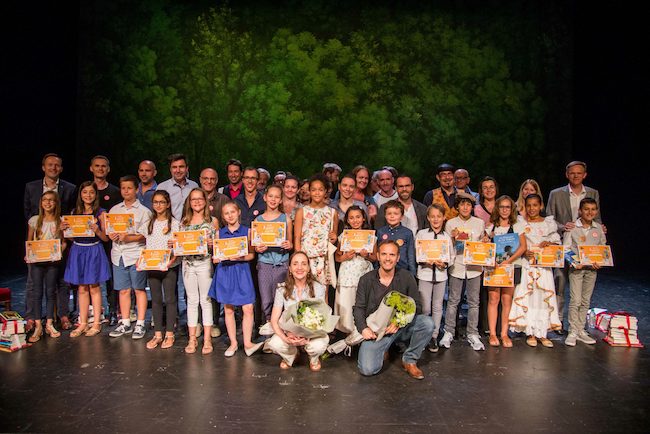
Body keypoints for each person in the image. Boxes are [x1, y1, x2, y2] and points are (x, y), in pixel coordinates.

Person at [354, 240, 434, 379]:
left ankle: (409, 360)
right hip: (378, 331)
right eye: (384, 254)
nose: (387, 258)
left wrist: (399, 321)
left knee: (427, 323)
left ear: (397, 258)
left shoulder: (407, 277)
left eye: (392, 254)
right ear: (378, 256)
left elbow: (417, 306)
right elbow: (359, 308)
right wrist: (363, 329)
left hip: (400, 327)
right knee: (367, 369)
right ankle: (384, 348)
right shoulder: (366, 280)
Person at [547, 161, 602, 334]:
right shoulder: (556, 194)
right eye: (572, 173)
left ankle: (578, 325)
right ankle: (559, 322)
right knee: (560, 284)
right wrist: (564, 226)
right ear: (567, 174)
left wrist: (601, 228)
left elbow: (596, 218)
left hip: (585, 248)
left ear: (584, 175)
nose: (575, 176)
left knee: (582, 290)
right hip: (564, 244)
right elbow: (549, 220)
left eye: (579, 173)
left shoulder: (593, 193)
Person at [23, 153, 76, 331]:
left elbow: (70, 215)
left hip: (59, 244)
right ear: (43, 167)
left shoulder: (69, 188)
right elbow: (28, 213)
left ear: (61, 168)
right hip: (38, 246)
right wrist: (33, 247)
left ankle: (62, 315)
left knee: (61, 282)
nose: (53, 168)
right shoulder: (31, 187)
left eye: (57, 165)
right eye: (50, 165)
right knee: (33, 284)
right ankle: (32, 317)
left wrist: (62, 243)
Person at [209, 201, 263, 357]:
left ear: (239, 212)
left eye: (232, 212)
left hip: (242, 271)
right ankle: (233, 343)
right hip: (226, 273)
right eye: (226, 213)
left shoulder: (248, 231)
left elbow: (252, 255)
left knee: (248, 308)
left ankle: (247, 343)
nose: (230, 215)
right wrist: (219, 258)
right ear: (223, 216)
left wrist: (240, 256)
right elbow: (215, 258)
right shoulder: (219, 233)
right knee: (229, 309)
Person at [509, 193, 562, 348]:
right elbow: (516, 243)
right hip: (527, 265)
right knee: (529, 297)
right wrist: (524, 251)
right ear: (525, 206)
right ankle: (531, 332)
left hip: (543, 267)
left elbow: (557, 243)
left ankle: (542, 332)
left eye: (535, 205)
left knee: (543, 298)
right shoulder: (520, 222)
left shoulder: (548, 223)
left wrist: (550, 244)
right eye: (529, 205)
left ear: (541, 206)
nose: (532, 208)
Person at [62, 181, 111, 338]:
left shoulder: (101, 213)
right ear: (80, 195)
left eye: (91, 192)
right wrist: (65, 231)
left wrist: (96, 229)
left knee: (94, 287)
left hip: (93, 250)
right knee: (82, 288)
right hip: (78, 250)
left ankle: (96, 322)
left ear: (95, 195)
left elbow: (105, 238)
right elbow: (71, 238)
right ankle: (83, 322)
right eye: (85, 192)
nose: (88, 195)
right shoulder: (74, 212)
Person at [267, 251, 329, 370]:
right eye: (295, 264)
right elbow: (274, 320)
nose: (299, 267)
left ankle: (314, 358)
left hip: (312, 334)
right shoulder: (281, 289)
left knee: (319, 346)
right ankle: (292, 355)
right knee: (275, 343)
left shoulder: (319, 288)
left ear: (309, 268)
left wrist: (307, 336)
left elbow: (322, 319)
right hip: (289, 334)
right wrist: (286, 338)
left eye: (303, 264)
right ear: (290, 268)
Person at [439, 192, 486, 351]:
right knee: (453, 301)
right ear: (457, 206)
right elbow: (447, 247)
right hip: (457, 266)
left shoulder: (479, 223)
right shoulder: (451, 223)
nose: (465, 207)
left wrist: (485, 242)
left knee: (474, 302)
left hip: (474, 268)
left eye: (468, 204)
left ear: (472, 207)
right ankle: (449, 331)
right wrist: (452, 238)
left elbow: (481, 245)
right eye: (462, 204)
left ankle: (472, 333)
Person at [108, 175, 151, 340]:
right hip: (119, 255)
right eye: (123, 188)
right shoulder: (114, 210)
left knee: (139, 289)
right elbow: (110, 230)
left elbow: (146, 235)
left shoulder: (144, 212)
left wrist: (128, 238)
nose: (126, 191)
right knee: (123, 290)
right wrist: (112, 235)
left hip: (136, 255)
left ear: (136, 189)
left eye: (129, 188)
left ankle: (140, 323)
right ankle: (125, 321)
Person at [330, 206, 376, 351]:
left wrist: (366, 255)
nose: (355, 220)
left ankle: (361, 333)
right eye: (351, 218)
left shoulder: (370, 236)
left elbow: (375, 257)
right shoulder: (343, 236)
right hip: (347, 276)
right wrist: (344, 257)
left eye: (358, 217)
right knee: (347, 306)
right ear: (347, 220)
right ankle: (350, 336)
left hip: (364, 274)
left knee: (363, 303)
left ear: (363, 218)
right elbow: (337, 257)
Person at [138, 190, 179, 350]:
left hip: (169, 267)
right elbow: (142, 244)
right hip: (152, 267)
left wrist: (172, 261)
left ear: (168, 204)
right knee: (155, 300)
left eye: (162, 202)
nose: (158, 205)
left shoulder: (175, 224)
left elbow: (178, 248)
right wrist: (140, 260)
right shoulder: (149, 223)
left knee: (169, 299)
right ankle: (157, 334)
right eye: (155, 202)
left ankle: (169, 333)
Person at [484, 195, 527, 348]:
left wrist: (508, 261)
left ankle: (504, 333)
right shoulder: (491, 227)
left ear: (512, 209)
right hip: (494, 268)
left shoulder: (517, 225)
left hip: (511, 267)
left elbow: (523, 247)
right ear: (497, 208)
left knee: (506, 300)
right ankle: (493, 333)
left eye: (507, 207)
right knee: (493, 299)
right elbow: (487, 247)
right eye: (502, 207)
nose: (504, 210)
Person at [563, 198, 606, 346]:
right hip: (577, 270)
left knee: (585, 300)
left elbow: (602, 248)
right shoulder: (573, 227)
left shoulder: (598, 228)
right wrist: (574, 262)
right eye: (586, 209)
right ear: (580, 211)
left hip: (591, 270)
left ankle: (581, 330)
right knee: (575, 300)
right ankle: (572, 331)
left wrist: (600, 262)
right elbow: (566, 248)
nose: (590, 212)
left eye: (593, 209)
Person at [25, 191, 67, 342]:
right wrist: (28, 254)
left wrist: (58, 253)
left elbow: (63, 242)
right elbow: (29, 242)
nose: (48, 203)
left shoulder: (60, 221)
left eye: (51, 200)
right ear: (40, 203)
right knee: (37, 293)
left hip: (52, 263)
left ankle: (49, 323)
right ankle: (38, 325)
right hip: (37, 263)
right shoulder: (34, 220)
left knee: (50, 292)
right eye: (45, 200)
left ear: (56, 203)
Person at [179, 188, 217, 354]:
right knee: (192, 301)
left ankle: (207, 339)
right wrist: (174, 246)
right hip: (188, 265)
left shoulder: (212, 221)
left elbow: (219, 246)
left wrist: (211, 244)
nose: (196, 202)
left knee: (206, 300)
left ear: (205, 200)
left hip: (204, 264)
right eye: (193, 199)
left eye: (199, 199)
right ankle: (192, 338)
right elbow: (180, 245)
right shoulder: (184, 222)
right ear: (189, 201)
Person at [415, 203, 454, 353]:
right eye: (432, 216)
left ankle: (434, 336)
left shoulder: (447, 237)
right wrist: (425, 260)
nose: (435, 219)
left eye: (439, 216)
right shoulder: (422, 234)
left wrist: (443, 264)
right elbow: (418, 253)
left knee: (437, 307)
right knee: (424, 307)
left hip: (441, 275)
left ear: (444, 218)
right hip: (424, 274)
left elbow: (450, 256)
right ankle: (423, 335)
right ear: (428, 218)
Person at [254, 184, 293, 331]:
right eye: (270, 196)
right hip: (264, 264)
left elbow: (291, 243)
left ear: (281, 200)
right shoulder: (258, 221)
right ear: (265, 197)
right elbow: (255, 245)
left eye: (277, 197)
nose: (273, 199)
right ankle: (269, 328)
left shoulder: (286, 219)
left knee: (282, 298)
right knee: (266, 299)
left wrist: (288, 244)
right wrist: (258, 248)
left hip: (282, 264)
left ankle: (282, 329)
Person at [89, 155, 121, 325]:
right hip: (87, 242)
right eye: (97, 166)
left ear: (108, 169)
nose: (100, 169)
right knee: (88, 278)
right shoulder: (86, 190)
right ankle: (89, 311)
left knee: (111, 277)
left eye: (103, 166)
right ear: (91, 168)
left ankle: (113, 310)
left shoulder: (115, 192)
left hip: (109, 241)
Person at [294, 174, 338, 289]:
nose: (317, 193)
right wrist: (299, 260)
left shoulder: (332, 213)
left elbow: (333, 238)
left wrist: (334, 238)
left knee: (323, 294)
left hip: (323, 259)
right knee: (304, 291)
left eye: (320, 190)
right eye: (313, 190)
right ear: (309, 191)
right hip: (306, 259)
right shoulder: (301, 211)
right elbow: (297, 237)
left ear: (326, 191)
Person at [375, 200, 416, 275]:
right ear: (385, 215)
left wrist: (412, 274)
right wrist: (376, 271)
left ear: (402, 216)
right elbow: (377, 253)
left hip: (402, 271)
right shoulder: (380, 232)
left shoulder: (407, 233)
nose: (392, 216)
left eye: (396, 214)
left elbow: (411, 255)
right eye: (389, 213)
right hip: (383, 270)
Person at [157, 153, 199, 221]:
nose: (178, 170)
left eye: (181, 167)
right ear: (170, 169)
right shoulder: (162, 187)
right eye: (174, 167)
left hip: (190, 227)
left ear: (187, 168)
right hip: (168, 227)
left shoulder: (194, 186)